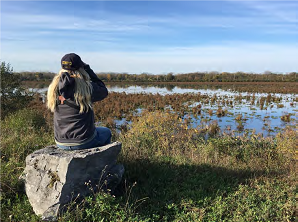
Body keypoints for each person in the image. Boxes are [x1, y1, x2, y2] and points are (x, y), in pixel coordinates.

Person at [47, 53, 111, 150]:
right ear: (81, 68)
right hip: (84, 141)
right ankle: (101, 161)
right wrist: (88, 69)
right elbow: (104, 91)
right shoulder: (86, 88)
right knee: (106, 132)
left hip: (60, 142)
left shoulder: (53, 88)